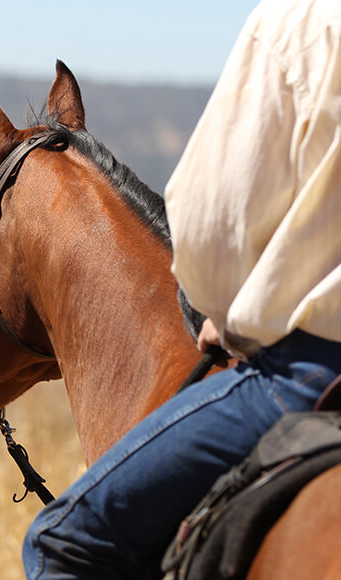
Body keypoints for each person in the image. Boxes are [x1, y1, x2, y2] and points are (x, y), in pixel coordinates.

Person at [22, 0, 341, 578]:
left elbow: (208, 218)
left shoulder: (304, 20)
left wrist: (221, 308)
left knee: (59, 541)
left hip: (315, 371)